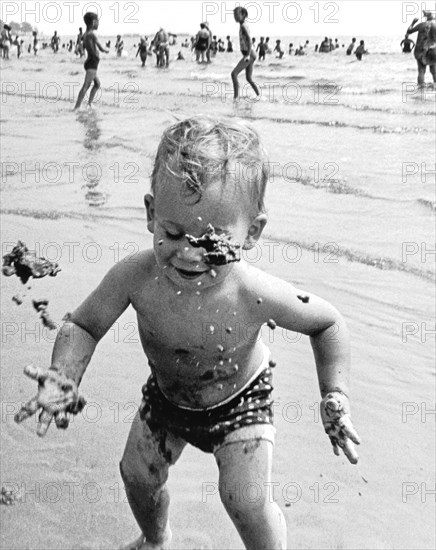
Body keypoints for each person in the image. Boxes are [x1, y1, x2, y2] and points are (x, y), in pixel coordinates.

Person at [15, 115, 361, 550]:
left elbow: (326, 323)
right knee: (136, 475)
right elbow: (84, 324)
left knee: (244, 500)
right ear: (150, 214)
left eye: (212, 240)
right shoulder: (135, 277)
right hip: (167, 398)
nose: (190, 253)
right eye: (173, 232)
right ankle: (156, 539)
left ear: (252, 232)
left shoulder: (253, 293)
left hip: (240, 401)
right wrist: (64, 374)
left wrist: (336, 394)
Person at [74, 12, 109, 111]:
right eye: (98, 21)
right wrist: (107, 50)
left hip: (90, 62)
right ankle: (77, 107)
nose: (98, 24)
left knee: (97, 84)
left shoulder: (85, 34)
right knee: (86, 85)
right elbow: (101, 48)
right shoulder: (92, 34)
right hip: (92, 62)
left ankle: (89, 104)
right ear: (94, 22)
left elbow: (82, 46)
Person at [231, 6, 260, 100]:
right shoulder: (242, 24)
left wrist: (247, 54)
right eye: (234, 14)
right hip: (251, 54)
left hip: (250, 54)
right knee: (249, 78)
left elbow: (249, 40)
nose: (235, 16)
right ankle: (259, 96)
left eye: (237, 14)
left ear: (243, 15)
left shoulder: (243, 26)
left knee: (234, 74)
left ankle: (236, 98)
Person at [407, 10, 436, 87]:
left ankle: (420, 89)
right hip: (433, 50)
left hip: (420, 50)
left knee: (421, 70)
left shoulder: (421, 25)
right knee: (434, 70)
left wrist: (413, 23)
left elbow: (409, 31)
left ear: (426, 17)